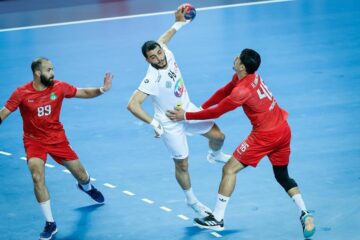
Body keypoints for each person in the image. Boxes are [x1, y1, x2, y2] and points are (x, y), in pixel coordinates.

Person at [166, 49, 316, 238]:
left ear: (242, 66)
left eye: (237, 58)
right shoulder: (249, 77)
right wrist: (201, 107)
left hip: (264, 136)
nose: (234, 58)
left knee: (229, 170)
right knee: (282, 176)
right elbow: (223, 92)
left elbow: (217, 112)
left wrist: (186, 116)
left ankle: (218, 219)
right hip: (284, 130)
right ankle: (304, 213)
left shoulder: (242, 91)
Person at [127, 7, 231, 217]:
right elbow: (133, 104)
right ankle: (192, 202)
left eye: (159, 52)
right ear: (147, 61)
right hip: (169, 123)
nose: (159, 57)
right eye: (153, 57)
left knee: (219, 136)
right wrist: (154, 124)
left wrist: (179, 23)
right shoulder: (152, 79)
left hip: (187, 110)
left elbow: (163, 38)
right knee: (182, 164)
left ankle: (215, 155)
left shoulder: (166, 51)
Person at [0, 57, 113, 240]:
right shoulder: (21, 93)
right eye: (49, 70)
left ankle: (86, 187)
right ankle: (50, 223)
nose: (52, 73)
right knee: (37, 176)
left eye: (53, 69)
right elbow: (3, 113)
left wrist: (102, 90)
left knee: (81, 175)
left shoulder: (59, 87)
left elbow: (82, 92)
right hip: (33, 141)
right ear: (38, 73)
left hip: (57, 139)